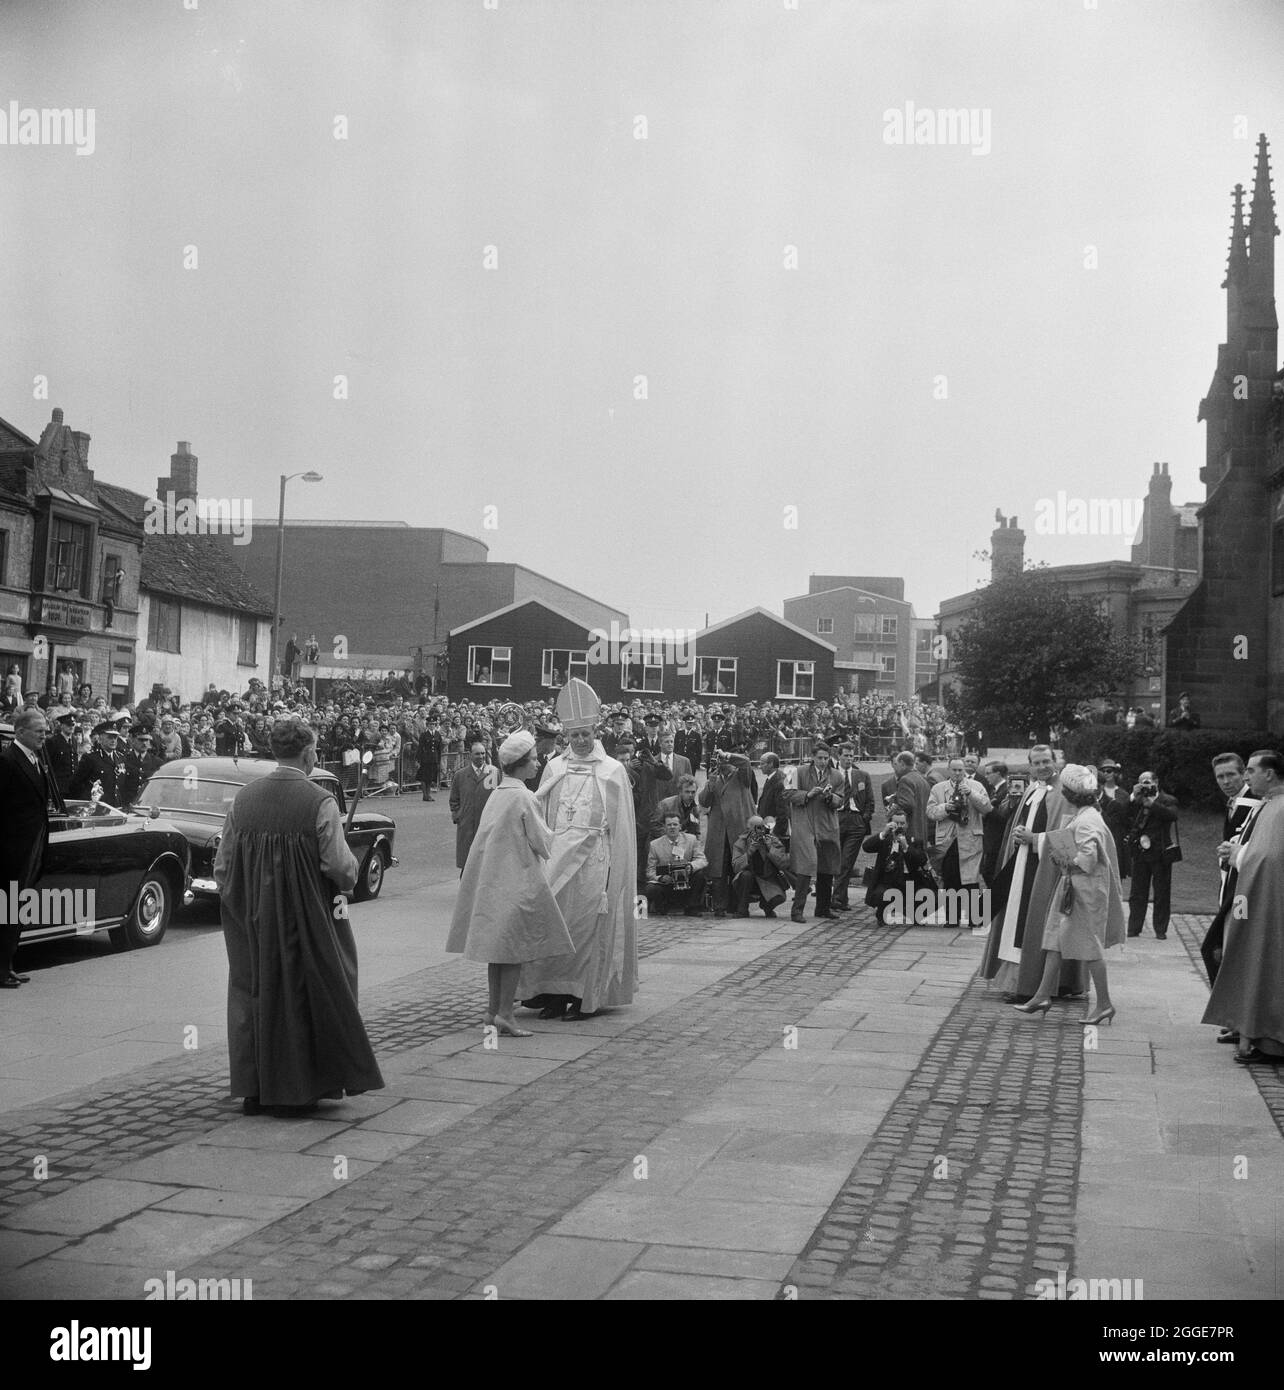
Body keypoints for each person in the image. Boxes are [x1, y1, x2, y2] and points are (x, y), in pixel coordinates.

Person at [213, 716, 384, 1116]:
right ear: (308, 753)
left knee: (253, 992)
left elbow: (223, 867)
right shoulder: (320, 801)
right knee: (310, 992)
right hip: (306, 917)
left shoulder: (245, 798)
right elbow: (341, 869)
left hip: (253, 918)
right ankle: (300, 1087)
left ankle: (255, 1089)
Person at [517, 678, 636, 1021]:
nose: (580, 741)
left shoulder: (612, 771)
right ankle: (552, 993)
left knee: (585, 929)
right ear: (565, 736)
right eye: (574, 735)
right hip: (557, 857)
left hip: (594, 861)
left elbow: (622, 828)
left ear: (595, 732)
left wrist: (617, 869)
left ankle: (584, 996)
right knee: (555, 925)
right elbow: (540, 817)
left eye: (586, 734)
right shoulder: (554, 767)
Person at [446, 730, 575, 1037]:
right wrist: (562, 825)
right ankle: (505, 1013)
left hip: (493, 885)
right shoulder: (523, 796)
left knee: (497, 952)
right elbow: (542, 842)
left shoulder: (499, 793)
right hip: (516, 883)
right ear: (520, 764)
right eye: (531, 760)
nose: (535, 764)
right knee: (514, 952)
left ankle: (493, 1012)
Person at [1012, 766, 1126, 1023]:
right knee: (1054, 939)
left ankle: (1105, 1003)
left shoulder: (1087, 820)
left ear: (1070, 793)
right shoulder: (1087, 814)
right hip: (1073, 888)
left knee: (1089, 946)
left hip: (1084, 892)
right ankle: (1042, 995)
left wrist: (1065, 860)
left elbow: (1087, 858)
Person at [979, 745, 1086, 1002]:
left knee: (1038, 924)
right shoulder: (1031, 788)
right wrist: (1017, 836)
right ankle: (1022, 980)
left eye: (1046, 761)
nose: (1042, 767)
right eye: (1036, 763)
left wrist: (1035, 838)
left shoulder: (1064, 792)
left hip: (1046, 872)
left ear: (1056, 761)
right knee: (1018, 921)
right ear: (1030, 765)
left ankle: (1033, 986)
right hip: (1023, 865)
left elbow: (1069, 838)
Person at [1201, 750, 1284, 1065]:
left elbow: (1269, 858)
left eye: (1250, 771)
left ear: (1270, 774)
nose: (1246, 777)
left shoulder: (1278, 807)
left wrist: (1237, 854)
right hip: (1255, 897)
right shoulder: (1270, 805)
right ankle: (1246, 1026)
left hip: (1267, 903)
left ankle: (1263, 1035)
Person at [1200, 753, 1262, 1001]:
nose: (1225, 781)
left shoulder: (1255, 802)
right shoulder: (1236, 802)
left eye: (1230, 775)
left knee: (1220, 948)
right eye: (1220, 777)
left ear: (1243, 774)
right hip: (1230, 886)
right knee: (1223, 948)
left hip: (1242, 893)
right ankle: (1230, 1012)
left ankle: (1231, 1011)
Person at [0, 708, 52, 988]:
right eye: (38, 730)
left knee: (16, 909)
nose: (44, 735)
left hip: (31, 845)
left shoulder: (34, 758)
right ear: (20, 732)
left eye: (45, 730)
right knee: (7, 909)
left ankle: (7, 965)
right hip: (12, 848)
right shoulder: (8, 760)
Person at [926, 757, 992, 926]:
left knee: (970, 880)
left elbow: (987, 807)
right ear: (948, 770)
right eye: (954, 770)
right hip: (948, 841)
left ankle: (974, 918)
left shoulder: (976, 787)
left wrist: (971, 794)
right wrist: (945, 807)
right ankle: (952, 918)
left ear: (965, 771)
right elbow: (931, 812)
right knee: (950, 879)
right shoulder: (938, 788)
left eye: (960, 770)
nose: (957, 773)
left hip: (970, 839)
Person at [786, 741, 843, 922]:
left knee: (826, 866)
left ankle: (823, 908)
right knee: (806, 864)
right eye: (819, 758)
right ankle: (797, 910)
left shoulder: (837, 776)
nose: (823, 761)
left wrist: (830, 797)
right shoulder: (797, 771)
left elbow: (841, 800)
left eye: (826, 758)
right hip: (805, 822)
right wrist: (807, 794)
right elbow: (786, 794)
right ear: (812, 757)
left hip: (826, 824)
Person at [699, 748, 757, 917]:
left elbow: (745, 761)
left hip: (739, 829)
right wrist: (710, 782)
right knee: (718, 869)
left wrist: (729, 755)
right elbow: (704, 801)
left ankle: (740, 906)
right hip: (718, 832)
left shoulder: (742, 776)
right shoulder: (715, 779)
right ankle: (719, 906)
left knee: (740, 868)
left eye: (724, 762)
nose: (722, 765)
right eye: (719, 761)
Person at [1125, 771, 1179, 939]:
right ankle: (1134, 928)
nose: (1145, 785)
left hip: (1160, 851)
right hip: (1141, 851)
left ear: (1156, 782)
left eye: (1148, 782)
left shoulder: (1168, 800)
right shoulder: (1137, 800)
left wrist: (1152, 804)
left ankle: (1160, 929)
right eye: (1142, 782)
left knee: (1162, 893)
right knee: (1137, 893)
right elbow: (1125, 814)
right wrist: (1134, 795)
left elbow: (1172, 815)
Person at [861, 805, 932, 926]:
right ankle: (882, 912)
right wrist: (883, 833)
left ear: (907, 824)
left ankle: (914, 913)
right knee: (881, 894)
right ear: (890, 824)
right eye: (896, 823)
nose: (900, 826)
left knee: (932, 895)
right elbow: (866, 847)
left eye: (902, 823)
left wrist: (906, 847)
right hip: (889, 881)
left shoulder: (914, 841)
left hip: (909, 881)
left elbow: (922, 860)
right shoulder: (885, 839)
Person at [832, 744, 875, 911]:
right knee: (838, 860)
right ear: (839, 756)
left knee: (846, 860)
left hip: (856, 821)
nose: (849, 759)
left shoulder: (862, 775)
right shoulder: (833, 775)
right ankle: (842, 899)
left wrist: (864, 818)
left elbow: (870, 801)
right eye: (846, 756)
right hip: (837, 818)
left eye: (851, 756)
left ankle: (836, 898)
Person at [645, 812, 708, 917]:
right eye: (669, 825)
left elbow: (702, 860)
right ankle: (663, 908)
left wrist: (691, 866)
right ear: (664, 827)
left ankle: (692, 907)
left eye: (675, 824)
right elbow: (650, 870)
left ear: (680, 826)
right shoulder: (655, 845)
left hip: (687, 881)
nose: (672, 827)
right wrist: (661, 878)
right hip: (668, 884)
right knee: (651, 888)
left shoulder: (691, 839)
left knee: (700, 875)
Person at [730, 815, 792, 918]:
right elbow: (736, 866)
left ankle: (767, 907)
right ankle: (742, 909)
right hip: (750, 880)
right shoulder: (741, 842)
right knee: (745, 876)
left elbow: (784, 863)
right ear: (749, 828)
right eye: (756, 827)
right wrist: (750, 851)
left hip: (767, 880)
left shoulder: (772, 840)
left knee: (779, 897)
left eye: (761, 827)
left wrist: (770, 849)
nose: (760, 831)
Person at [449, 740, 496, 875]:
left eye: (483, 753)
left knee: (485, 859)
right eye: (477, 754)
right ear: (470, 755)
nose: (481, 757)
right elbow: (454, 798)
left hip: (486, 822)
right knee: (467, 859)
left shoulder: (493, 773)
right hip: (467, 823)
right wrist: (458, 815)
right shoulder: (460, 775)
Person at [70, 722, 123, 803]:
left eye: (115, 737)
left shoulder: (121, 758)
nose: (113, 740)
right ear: (100, 739)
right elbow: (77, 783)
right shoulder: (90, 758)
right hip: (98, 806)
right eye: (109, 737)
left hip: (117, 806)